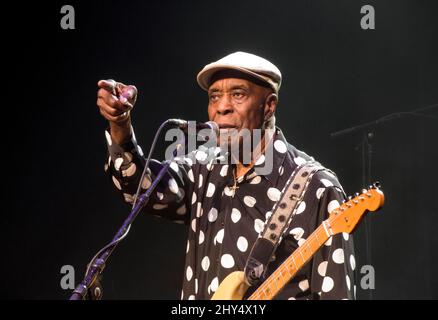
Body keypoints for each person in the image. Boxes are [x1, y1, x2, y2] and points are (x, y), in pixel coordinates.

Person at [97, 51, 356, 300]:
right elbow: (141, 189)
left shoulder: (316, 187)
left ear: (268, 106)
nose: (222, 107)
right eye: (214, 96)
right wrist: (121, 126)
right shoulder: (203, 167)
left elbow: (337, 293)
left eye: (238, 94)